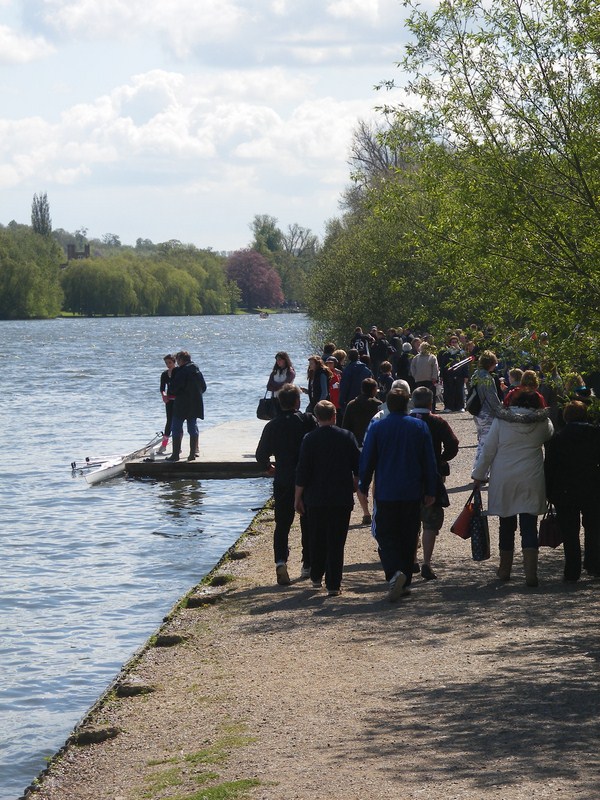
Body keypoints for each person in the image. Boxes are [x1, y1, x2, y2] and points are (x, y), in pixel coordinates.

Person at [359, 388, 438, 601]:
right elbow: (428, 460)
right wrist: (431, 489)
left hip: (386, 490)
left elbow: (368, 458)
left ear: (387, 405)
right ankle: (404, 578)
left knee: (385, 534)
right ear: (407, 405)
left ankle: (394, 573)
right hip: (412, 490)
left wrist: (363, 484)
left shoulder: (378, 427)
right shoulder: (419, 426)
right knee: (409, 535)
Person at [472, 389, 553, 586]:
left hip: (504, 477)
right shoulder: (543, 423)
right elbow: (550, 437)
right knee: (529, 526)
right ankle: (531, 573)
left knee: (506, 525)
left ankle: (504, 570)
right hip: (531, 477)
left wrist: (478, 475)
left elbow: (488, 451)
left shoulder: (501, 422)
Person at [295, 401, 361, 597]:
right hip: (340, 497)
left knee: (317, 537)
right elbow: (358, 466)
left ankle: (316, 574)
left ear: (316, 418)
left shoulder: (309, 439)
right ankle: (334, 583)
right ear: (334, 416)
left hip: (315, 498)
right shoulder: (346, 436)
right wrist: (356, 485)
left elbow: (303, 470)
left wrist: (297, 497)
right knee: (336, 541)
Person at [255, 384, 317, 585]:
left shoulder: (272, 425)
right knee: (308, 523)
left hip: (283, 477)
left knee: (282, 524)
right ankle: (308, 564)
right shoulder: (307, 420)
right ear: (298, 402)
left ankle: (281, 561)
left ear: (280, 402)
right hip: (307, 478)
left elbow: (260, 454)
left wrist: (268, 466)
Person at [545, 401, 600, 582]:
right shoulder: (595, 434)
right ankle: (594, 564)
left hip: (565, 490)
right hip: (592, 487)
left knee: (570, 532)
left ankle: (572, 569)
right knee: (593, 528)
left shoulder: (557, 439)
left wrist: (549, 492)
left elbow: (549, 467)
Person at [409, 387, 459, 580]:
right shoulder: (437, 422)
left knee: (412, 520)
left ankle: (412, 559)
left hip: (409, 477)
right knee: (430, 522)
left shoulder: (407, 421)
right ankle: (426, 562)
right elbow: (453, 444)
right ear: (431, 403)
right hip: (432, 475)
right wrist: (441, 459)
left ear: (413, 402)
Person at [167, 351, 207, 462]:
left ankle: (175, 455)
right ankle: (192, 454)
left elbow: (173, 389)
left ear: (181, 360)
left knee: (176, 428)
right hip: (195, 404)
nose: (177, 362)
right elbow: (203, 387)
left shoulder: (181, 371)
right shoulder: (197, 370)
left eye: (177, 360)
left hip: (181, 404)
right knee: (192, 428)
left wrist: (171, 380)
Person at [470, 350, 504, 465]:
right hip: (486, 413)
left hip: (477, 411)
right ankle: (479, 471)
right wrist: (501, 410)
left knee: (482, 440)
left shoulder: (476, 374)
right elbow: (492, 397)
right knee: (486, 443)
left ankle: (480, 471)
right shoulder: (487, 377)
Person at [438, 334, 469, 411]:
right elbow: (443, 365)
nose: (454, 343)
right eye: (452, 342)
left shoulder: (461, 353)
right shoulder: (446, 353)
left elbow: (465, 365)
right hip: (449, 375)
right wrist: (441, 376)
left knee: (459, 391)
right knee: (449, 391)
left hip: (459, 375)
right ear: (450, 343)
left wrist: (466, 376)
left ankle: (460, 406)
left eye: (455, 342)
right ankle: (448, 406)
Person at [339, 348, 373, 417]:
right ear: (358, 356)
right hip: (365, 401)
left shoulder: (347, 370)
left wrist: (341, 401)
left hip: (350, 402)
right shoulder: (367, 370)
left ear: (349, 357)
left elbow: (344, 386)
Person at [410, 342, 440, 411]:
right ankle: (420, 409)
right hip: (419, 380)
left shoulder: (432, 357)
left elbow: (435, 368)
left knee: (430, 395)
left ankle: (431, 409)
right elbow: (412, 367)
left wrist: (434, 377)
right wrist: (415, 376)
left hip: (429, 380)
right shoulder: (416, 357)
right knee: (420, 395)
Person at [158, 354, 176, 454]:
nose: (168, 365)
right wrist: (164, 395)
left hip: (178, 400)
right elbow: (162, 388)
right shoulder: (164, 374)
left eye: (170, 363)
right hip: (169, 401)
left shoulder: (178, 372)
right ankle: (164, 445)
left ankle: (177, 446)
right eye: (166, 363)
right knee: (169, 422)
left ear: (174, 362)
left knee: (177, 422)